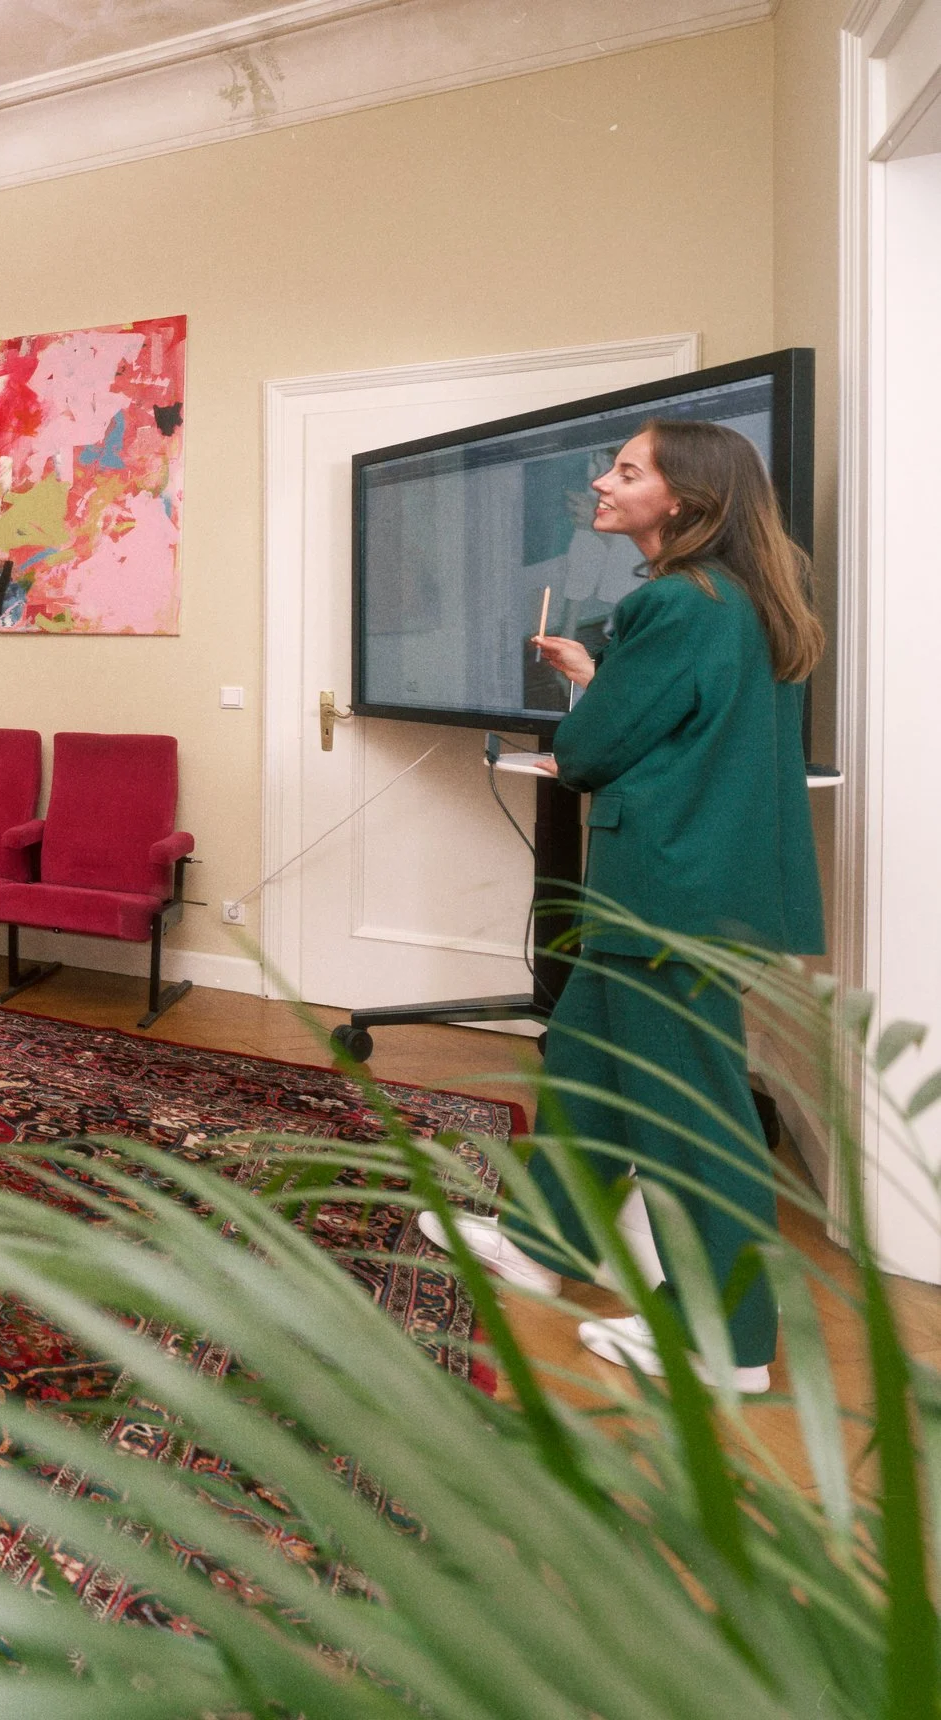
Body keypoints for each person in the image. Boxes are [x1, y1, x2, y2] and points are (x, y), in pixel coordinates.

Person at [424, 419, 825, 1395]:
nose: (601, 481)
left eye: (626, 470)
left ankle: (728, 1343)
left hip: (666, 896)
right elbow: (680, 726)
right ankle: (539, 1238)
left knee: (693, 1118)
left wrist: (592, 699)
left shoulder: (675, 604)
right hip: (689, 886)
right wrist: (602, 683)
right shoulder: (735, 598)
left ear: (682, 499)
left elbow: (594, 752)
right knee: (588, 1067)